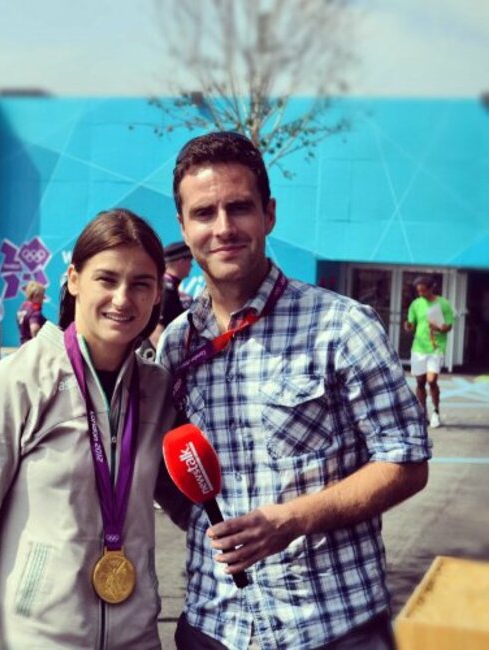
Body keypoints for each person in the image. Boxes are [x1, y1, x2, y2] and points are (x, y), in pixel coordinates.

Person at [157, 132, 431, 650]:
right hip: (213, 627)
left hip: (331, 627)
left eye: (240, 207)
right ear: (184, 227)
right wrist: (202, 522)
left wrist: (291, 520)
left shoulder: (342, 326)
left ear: (269, 214)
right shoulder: (177, 345)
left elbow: (407, 462)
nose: (223, 228)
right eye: (204, 213)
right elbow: (168, 471)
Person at [0, 209, 182, 650]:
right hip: (36, 639)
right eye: (107, 279)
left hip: (139, 638)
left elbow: (186, 502)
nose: (123, 299)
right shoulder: (13, 384)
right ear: (73, 279)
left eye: (140, 284)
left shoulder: (159, 390)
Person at [404, 276, 455, 428]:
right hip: (419, 348)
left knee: (431, 380)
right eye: (418, 291)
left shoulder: (443, 304)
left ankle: (436, 412)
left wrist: (439, 327)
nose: (421, 293)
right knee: (420, 382)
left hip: (436, 347)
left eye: (423, 290)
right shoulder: (416, 304)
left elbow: (449, 326)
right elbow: (411, 324)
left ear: (432, 288)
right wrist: (408, 326)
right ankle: (422, 414)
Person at [149, 241, 194, 348]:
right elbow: (156, 328)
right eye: (190, 261)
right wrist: (167, 355)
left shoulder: (167, 287)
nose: (191, 266)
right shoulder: (165, 290)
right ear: (181, 262)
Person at [17, 280, 46, 344]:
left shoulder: (22, 308)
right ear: (36, 296)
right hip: (31, 346)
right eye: (42, 296)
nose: (44, 298)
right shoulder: (34, 311)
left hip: (23, 345)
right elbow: (34, 330)